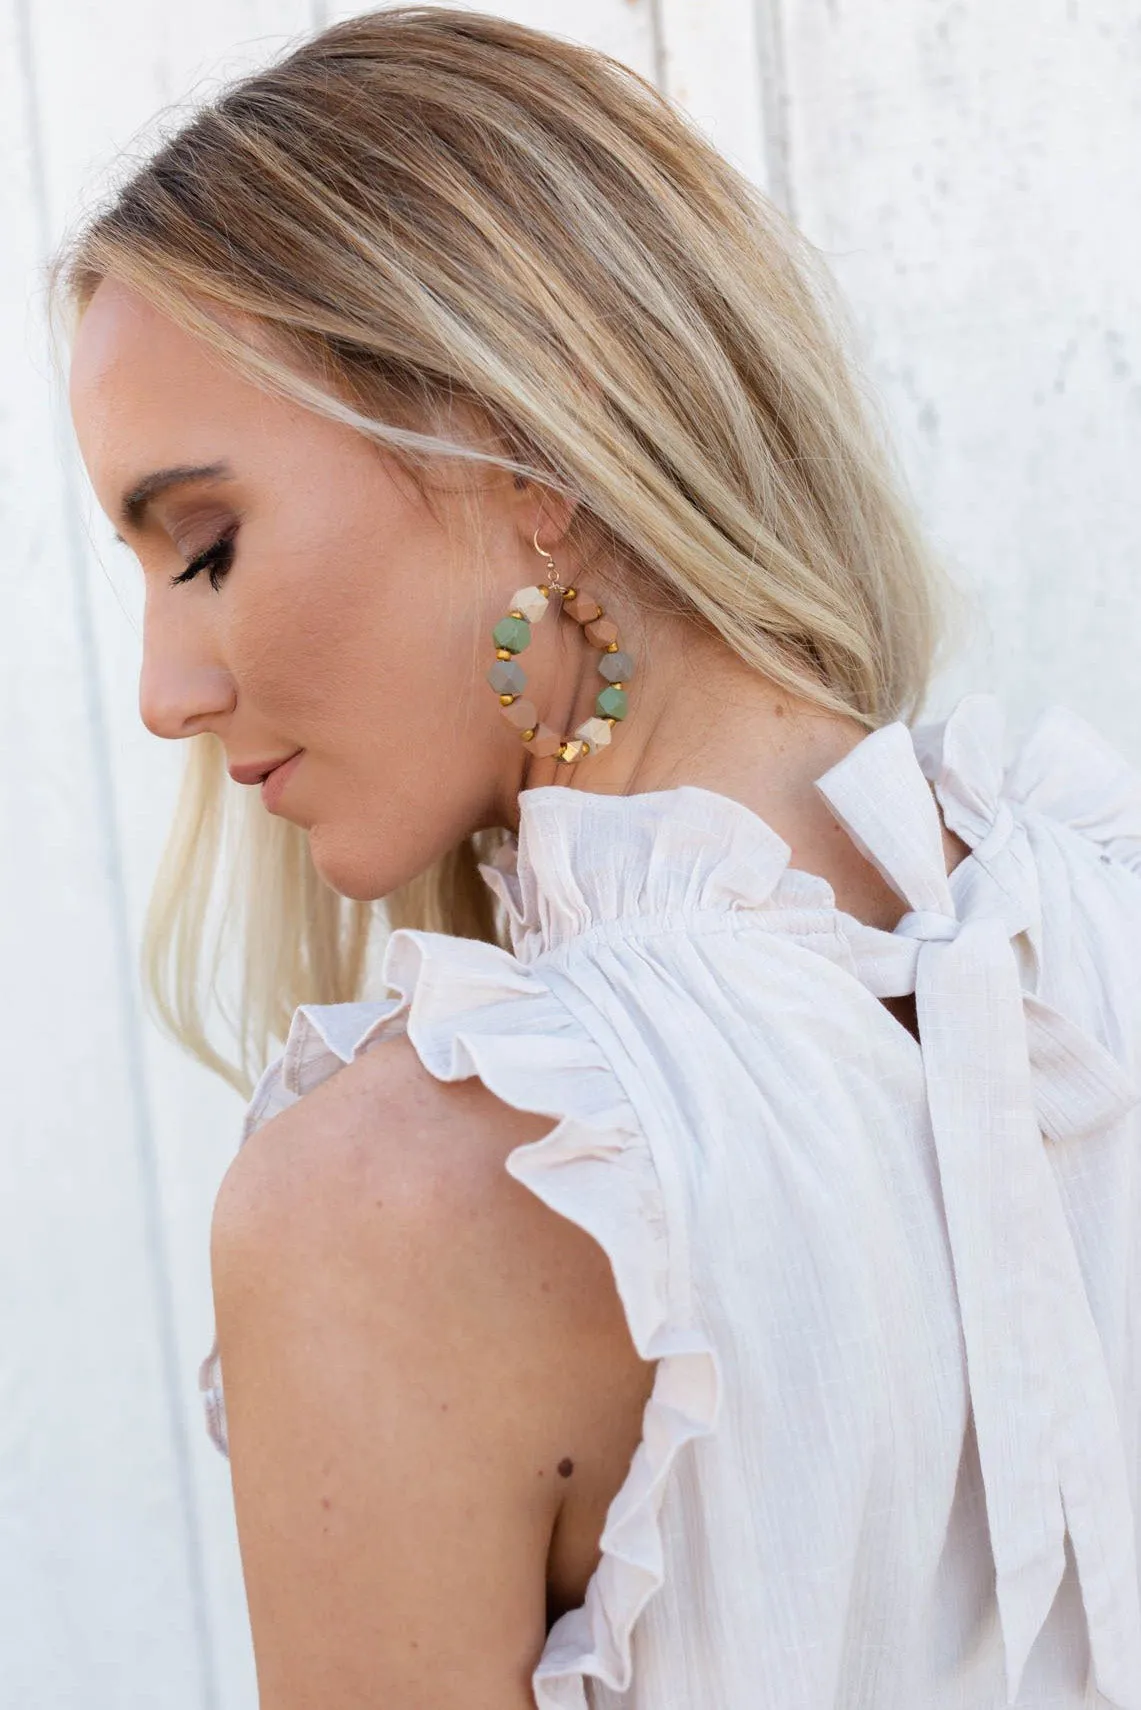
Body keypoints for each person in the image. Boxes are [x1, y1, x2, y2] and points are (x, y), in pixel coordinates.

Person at [55, 7, 1141, 1707]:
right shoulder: (1099, 912)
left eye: (202, 547)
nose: (163, 694)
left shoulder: (401, 1199)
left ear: (529, 452)